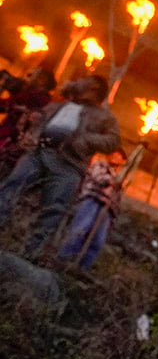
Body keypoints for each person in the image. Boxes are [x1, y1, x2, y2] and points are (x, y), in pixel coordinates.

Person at [0, 75, 120, 261]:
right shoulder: (58, 104)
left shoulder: (104, 117)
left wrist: (86, 140)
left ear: (94, 89)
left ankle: (29, 254)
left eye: (85, 82)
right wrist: (35, 121)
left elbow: (113, 140)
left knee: (53, 210)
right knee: (10, 187)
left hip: (68, 166)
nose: (78, 83)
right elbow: (40, 119)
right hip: (39, 153)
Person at [57, 149, 126, 270]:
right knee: (80, 229)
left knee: (97, 241)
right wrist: (112, 182)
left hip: (107, 210)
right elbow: (99, 178)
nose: (114, 158)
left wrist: (113, 217)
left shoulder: (119, 179)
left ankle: (83, 267)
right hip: (93, 200)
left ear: (123, 161)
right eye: (113, 155)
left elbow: (118, 200)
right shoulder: (100, 165)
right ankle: (64, 259)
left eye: (118, 157)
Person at [0, 67, 56, 176]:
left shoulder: (32, 97)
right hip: (19, 154)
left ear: (42, 79)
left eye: (31, 75)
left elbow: (4, 105)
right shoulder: (46, 101)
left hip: (8, 147)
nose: (27, 79)